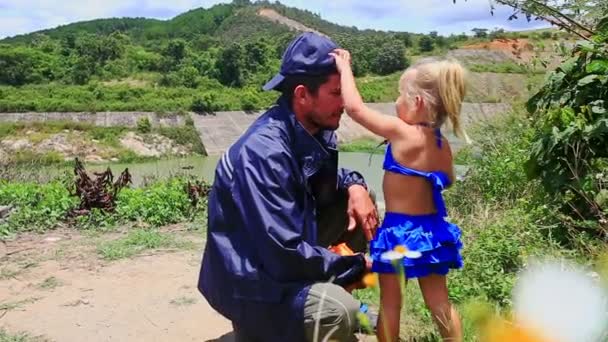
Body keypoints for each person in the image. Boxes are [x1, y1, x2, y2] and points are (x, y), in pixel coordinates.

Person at [197, 32, 379, 342]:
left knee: (362, 204)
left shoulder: (313, 128)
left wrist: (356, 186)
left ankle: (314, 305)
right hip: (250, 283)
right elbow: (284, 252)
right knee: (338, 312)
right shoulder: (264, 153)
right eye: (336, 93)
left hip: (275, 257)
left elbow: (323, 182)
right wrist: (356, 265)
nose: (345, 103)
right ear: (302, 94)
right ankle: (260, 330)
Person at [331, 49, 467, 342]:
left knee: (391, 304)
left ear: (417, 103)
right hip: (431, 233)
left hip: (398, 233)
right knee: (439, 302)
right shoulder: (443, 145)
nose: (395, 102)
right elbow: (449, 181)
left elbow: (355, 109)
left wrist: (344, 67)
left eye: (399, 95)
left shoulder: (400, 132)